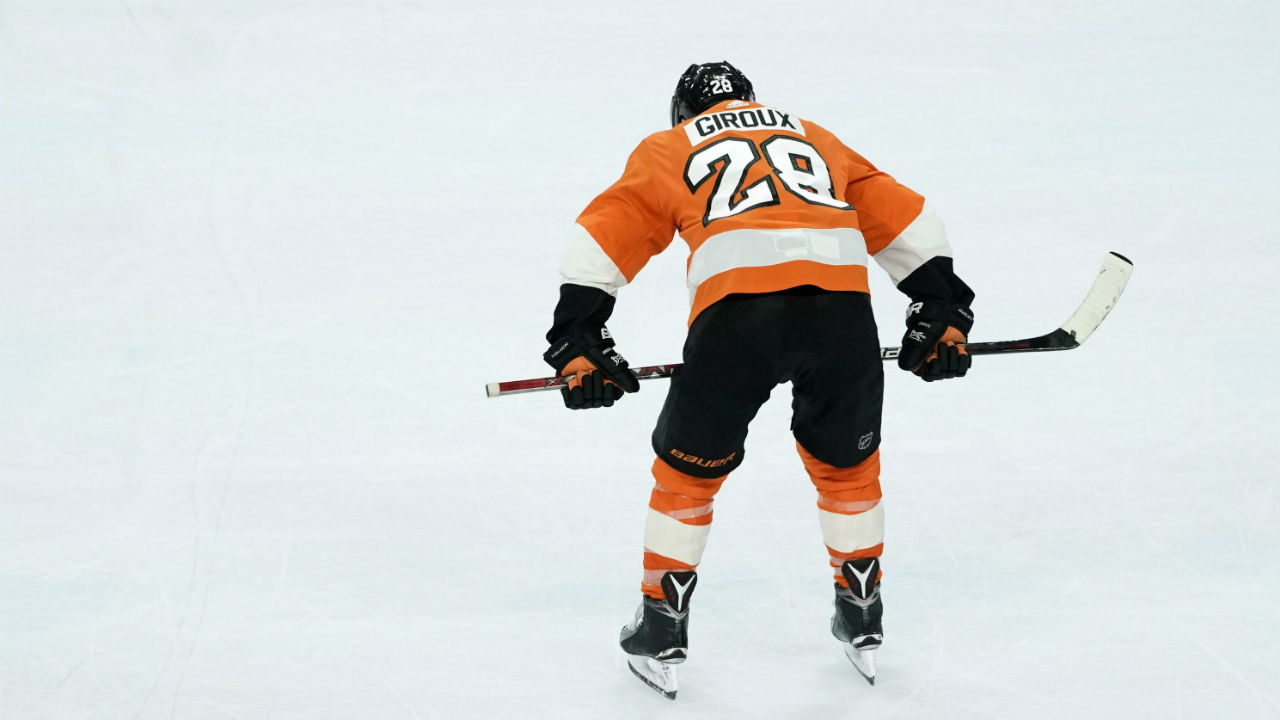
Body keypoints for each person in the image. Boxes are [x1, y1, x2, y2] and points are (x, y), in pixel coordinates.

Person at [541, 61, 975, 696]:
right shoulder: (813, 134)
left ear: (681, 113)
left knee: (688, 475)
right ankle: (861, 612)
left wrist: (578, 340)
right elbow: (908, 223)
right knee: (848, 468)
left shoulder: (670, 146)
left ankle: (663, 625)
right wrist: (942, 311)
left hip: (736, 320)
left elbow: (602, 239)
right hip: (842, 311)